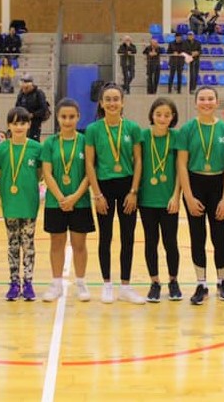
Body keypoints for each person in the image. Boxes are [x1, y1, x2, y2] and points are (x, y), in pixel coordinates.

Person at [84, 84, 144, 304]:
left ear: (123, 102)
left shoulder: (133, 128)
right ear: (101, 103)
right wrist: (97, 195)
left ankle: (125, 286)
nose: (112, 103)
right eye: (107, 99)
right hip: (104, 188)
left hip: (128, 187)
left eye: (116, 99)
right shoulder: (93, 129)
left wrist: (134, 191)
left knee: (128, 237)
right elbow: (90, 164)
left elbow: (138, 161)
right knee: (105, 237)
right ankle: (107, 284)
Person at [178, 87, 224, 304]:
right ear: (195, 103)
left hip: (218, 183)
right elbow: (182, 165)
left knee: (219, 236)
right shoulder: (187, 129)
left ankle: (222, 281)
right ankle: (200, 283)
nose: (206, 102)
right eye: (202, 99)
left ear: (217, 102)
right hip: (195, 183)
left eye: (210, 98)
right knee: (197, 235)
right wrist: (189, 196)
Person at [41, 99, 94, 302]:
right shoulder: (50, 143)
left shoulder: (85, 141)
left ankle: (80, 282)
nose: (68, 120)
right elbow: (47, 172)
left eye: (72, 117)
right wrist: (62, 197)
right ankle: (56, 284)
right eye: (64, 116)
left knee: (79, 244)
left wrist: (74, 197)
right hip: (56, 202)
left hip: (79, 201)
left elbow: (89, 173)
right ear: (57, 118)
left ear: (78, 117)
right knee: (57, 243)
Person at [0, 107, 43, 301]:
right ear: (9, 125)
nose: (19, 127)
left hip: (29, 203)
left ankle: (28, 282)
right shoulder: (2, 149)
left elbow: (39, 173)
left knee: (28, 243)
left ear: (29, 124)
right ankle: (13, 283)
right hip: (10, 203)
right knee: (12, 244)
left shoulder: (36, 148)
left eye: (22, 123)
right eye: (14, 123)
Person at [138, 97, 184, 302]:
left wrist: (176, 196)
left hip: (169, 200)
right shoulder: (143, 136)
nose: (162, 118)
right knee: (151, 242)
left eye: (167, 115)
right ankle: (154, 282)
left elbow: (180, 170)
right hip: (147, 199)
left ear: (173, 117)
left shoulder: (177, 136)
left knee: (170, 242)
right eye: (158, 114)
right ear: (152, 115)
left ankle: (173, 281)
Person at [15, 74, 48, 141]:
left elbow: (43, 109)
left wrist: (32, 115)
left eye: (26, 87)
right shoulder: (21, 94)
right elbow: (17, 107)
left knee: (34, 140)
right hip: (23, 122)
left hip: (35, 123)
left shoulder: (38, 93)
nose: (24, 89)